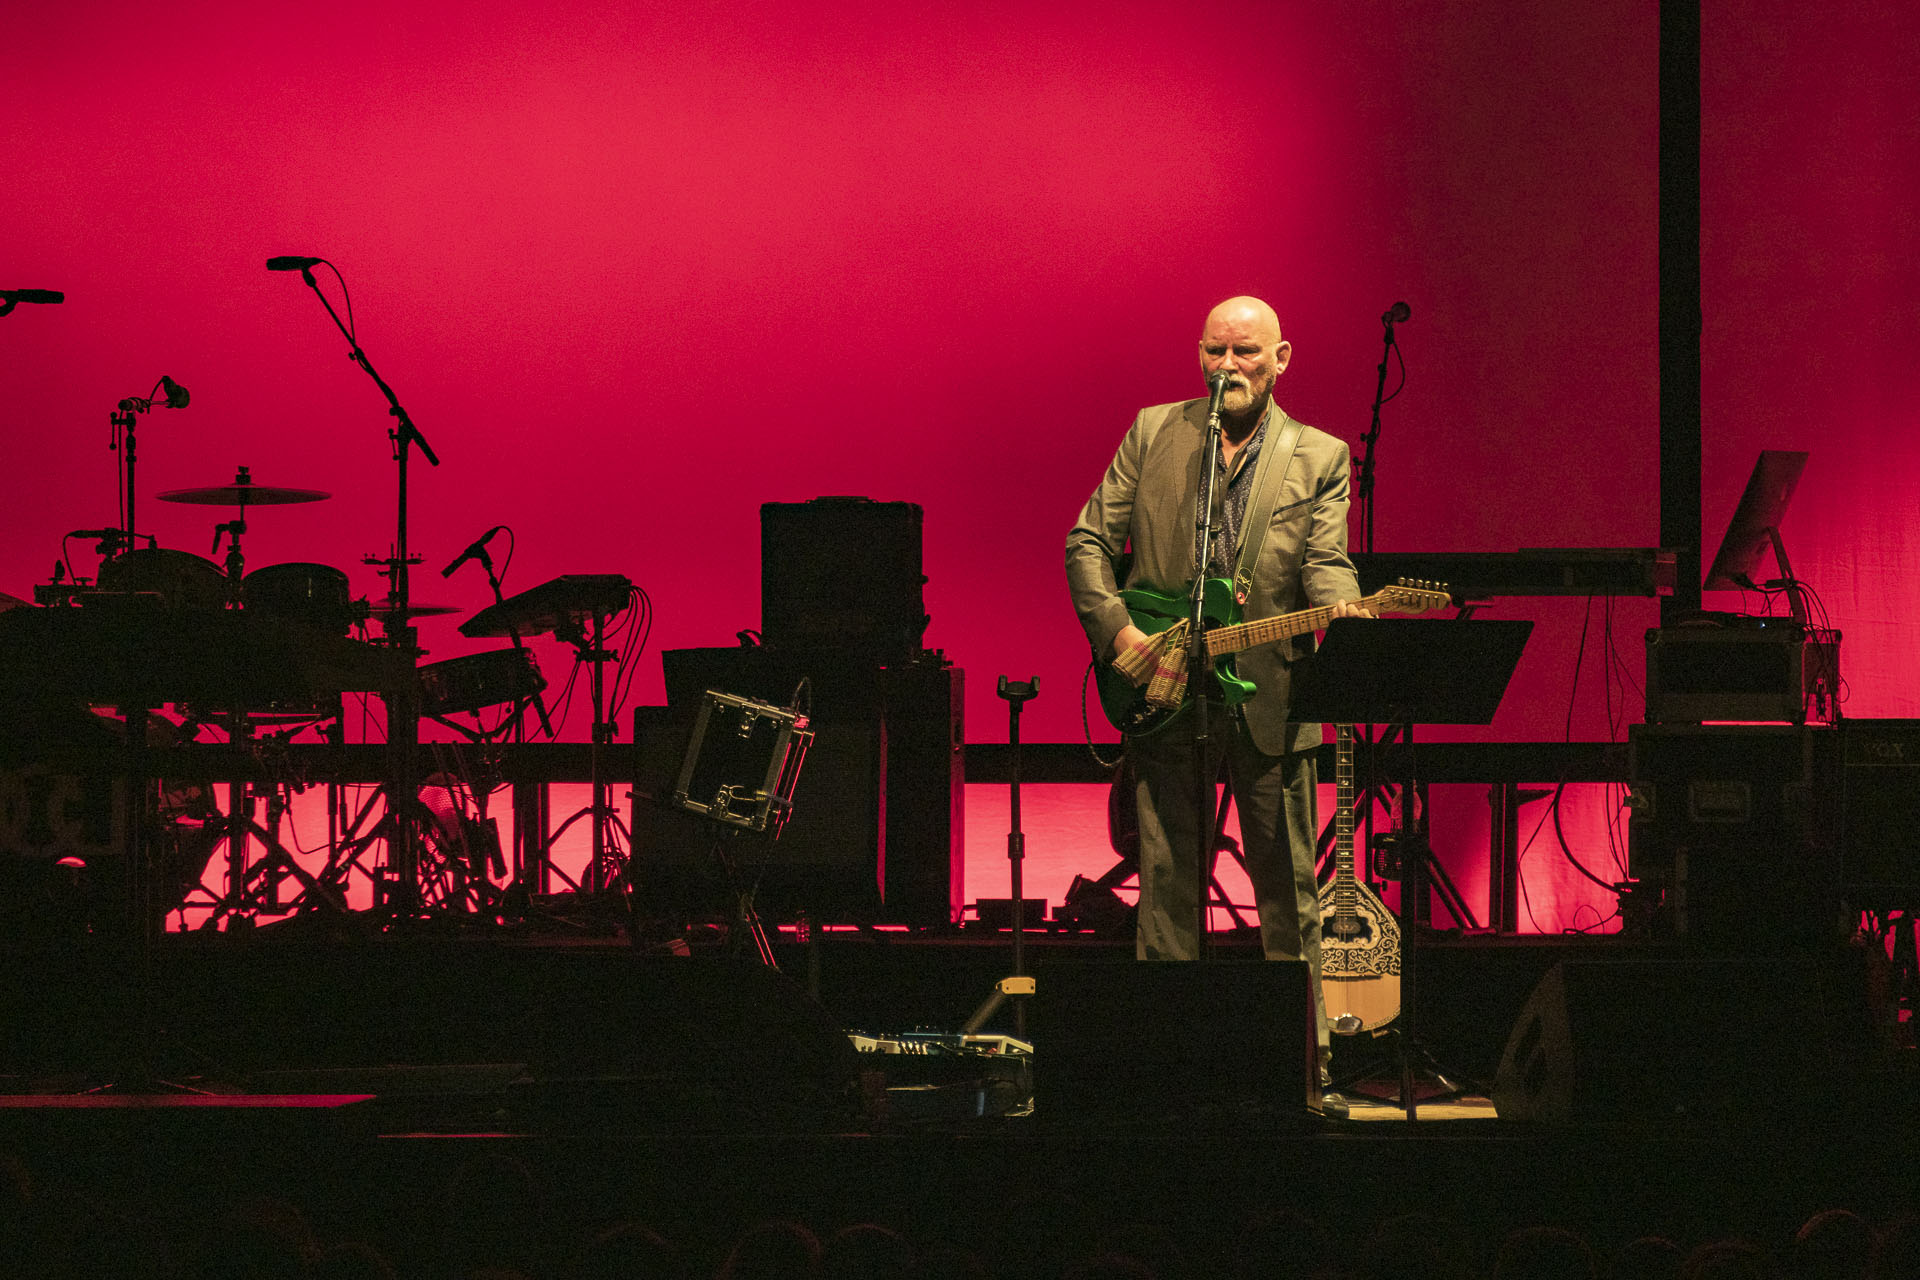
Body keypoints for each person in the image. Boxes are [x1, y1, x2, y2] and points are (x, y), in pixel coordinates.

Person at [1065, 295, 1371, 1084]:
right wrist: (1121, 636)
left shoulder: (1320, 454)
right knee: (1166, 881)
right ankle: (1163, 1063)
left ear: (1281, 359)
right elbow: (1089, 541)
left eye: (1243, 353)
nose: (1225, 367)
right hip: (1164, 686)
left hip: (1271, 690)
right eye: (1213, 351)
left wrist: (1348, 610)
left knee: (1288, 887)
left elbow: (1326, 563)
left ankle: (1307, 1064)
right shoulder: (1154, 430)